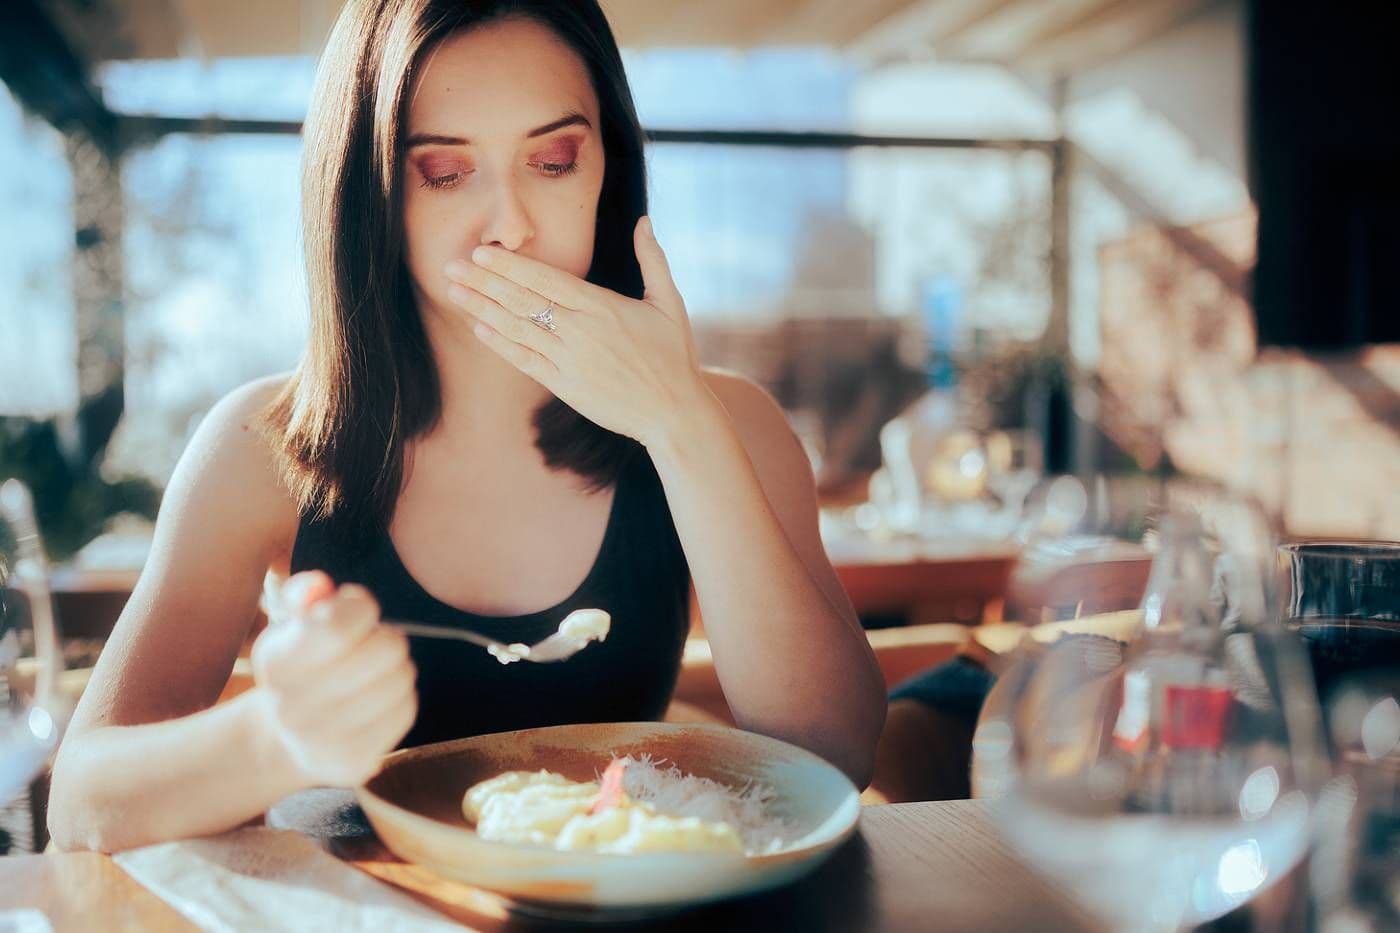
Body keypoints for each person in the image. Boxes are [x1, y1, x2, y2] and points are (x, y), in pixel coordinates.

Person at [47, 0, 885, 853]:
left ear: (609, 168)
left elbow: (835, 751)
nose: (511, 225)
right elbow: (80, 808)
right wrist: (273, 738)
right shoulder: (259, 447)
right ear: (368, 194)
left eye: (554, 161)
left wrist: (678, 424)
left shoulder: (727, 422)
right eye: (446, 173)